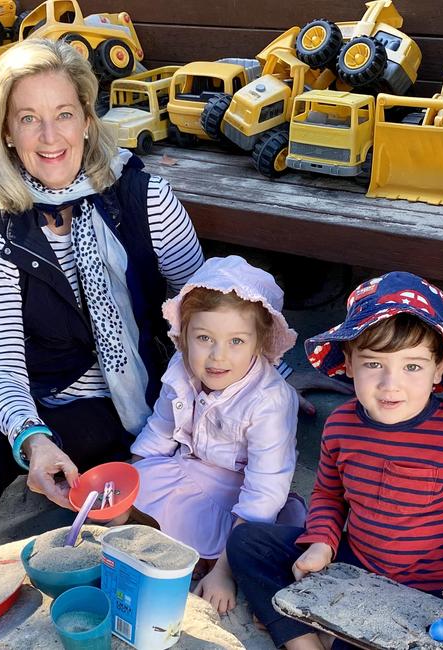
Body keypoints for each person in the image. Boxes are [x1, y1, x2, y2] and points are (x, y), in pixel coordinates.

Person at [0, 38, 205, 587]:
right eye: (28, 119)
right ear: (7, 134)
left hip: (128, 395)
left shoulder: (145, 198)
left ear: (87, 119)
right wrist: (33, 436)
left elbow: (207, 308)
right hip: (46, 383)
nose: (49, 136)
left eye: (64, 114)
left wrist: (264, 382)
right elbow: (2, 360)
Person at [226, 271, 443, 650]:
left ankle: (323, 631)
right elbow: (328, 494)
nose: (391, 384)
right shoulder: (341, 425)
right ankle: (303, 641)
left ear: (439, 368)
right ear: (349, 363)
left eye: (412, 366)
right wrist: (322, 542)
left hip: (426, 593)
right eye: (374, 364)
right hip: (354, 562)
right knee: (247, 542)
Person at [125, 255, 307, 614]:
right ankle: (173, 543)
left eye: (236, 341)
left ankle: (216, 562)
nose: (217, 356)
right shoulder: (181, 368)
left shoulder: (271, 401)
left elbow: (264, 490)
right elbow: (159, 433)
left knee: (252, 546)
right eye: (204, 338)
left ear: (259, 343)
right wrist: (128, 489)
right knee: (123, 488)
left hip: (239, 491)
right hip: (188, 470)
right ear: (185, 336)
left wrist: (225, 571)